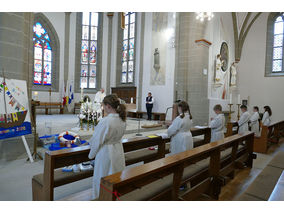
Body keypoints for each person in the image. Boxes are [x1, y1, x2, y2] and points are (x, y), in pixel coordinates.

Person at [88, 94, 127, 199]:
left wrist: (91, 155)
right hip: (118, 150)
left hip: (106, 152)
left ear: (108, 106)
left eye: (103, 106)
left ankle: (100, 199)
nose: (103, 108)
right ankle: (114, 197)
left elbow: (97, 140)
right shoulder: (122, 119)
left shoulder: (106, 121)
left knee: (103, 177)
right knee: (116, 176)